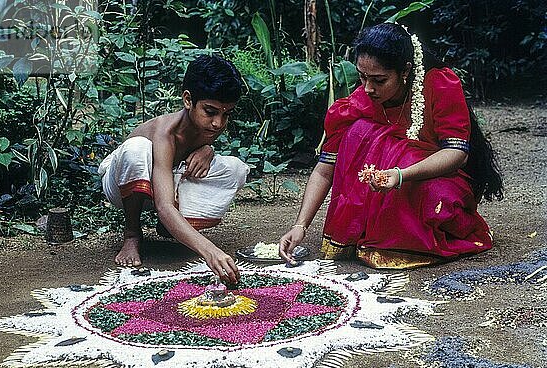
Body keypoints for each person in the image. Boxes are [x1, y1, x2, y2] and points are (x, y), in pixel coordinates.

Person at [279, 23, 503, 269]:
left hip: (435, 181)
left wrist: (400, 175)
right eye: (362, 77)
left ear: (405, 71)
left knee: (416, 174)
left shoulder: (440, 83)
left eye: (379, 80)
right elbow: (325, 169)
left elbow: (457, 154)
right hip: (392, 183)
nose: (367, 89)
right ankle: (370, 232)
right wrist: (299, 226)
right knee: (358, 132)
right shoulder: (361, 101)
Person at [99, 55, 249, 283]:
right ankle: (132, 234)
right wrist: (211, 251)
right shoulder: (165, 133)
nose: (218, 123)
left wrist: (208, 150)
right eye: (210, 112)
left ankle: (171, 227)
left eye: (226, 114)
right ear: (188, 100)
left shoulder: (208, 126)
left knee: (236, 169)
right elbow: (164, 205)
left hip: (166, 182)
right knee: (137, 149)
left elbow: (187, 158)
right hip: (122, 183)